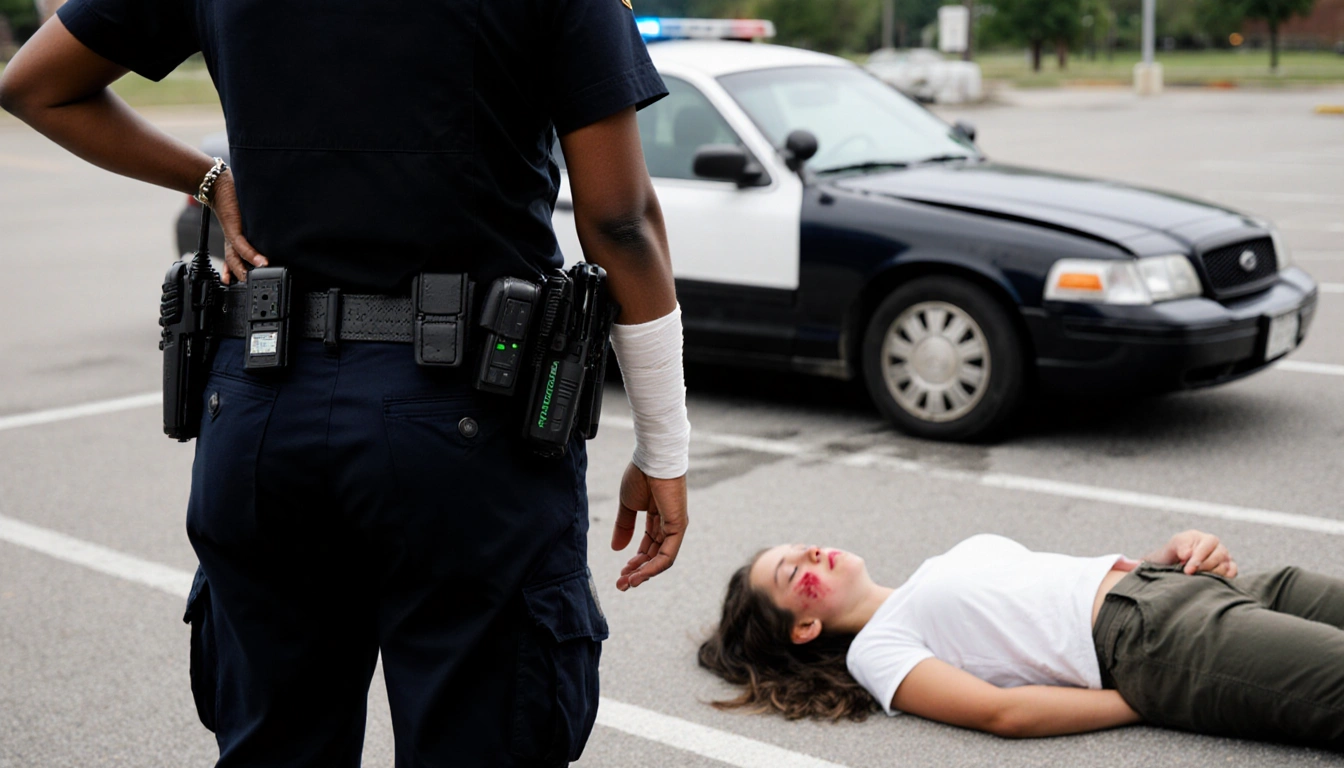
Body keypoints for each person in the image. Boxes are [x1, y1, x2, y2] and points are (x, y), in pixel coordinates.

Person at [0, 1, 690, 766]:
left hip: (262, 411)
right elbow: (620, 220)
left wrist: (208, 180)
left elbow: (36, 85)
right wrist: (663, 444)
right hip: (466, 423)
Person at [699, 530, 1344, 751]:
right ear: (804, 627)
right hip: (1159, 641)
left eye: (800, 544)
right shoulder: (878, 650)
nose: (812, 550)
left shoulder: (942, 562)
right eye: (793, 571)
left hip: (1176, 588)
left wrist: (1167, 555)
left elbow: (1055, 588)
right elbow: (1000, 712)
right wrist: (1150, 693)